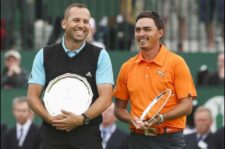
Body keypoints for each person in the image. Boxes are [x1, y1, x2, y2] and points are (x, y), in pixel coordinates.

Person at [27, 3, 113, 149]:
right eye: (76, 20)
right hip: (52, 136)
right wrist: (51, 119)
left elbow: (106, 98)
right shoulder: (44, 55)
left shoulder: (100, 56)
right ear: (64, 23)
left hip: (88, 136)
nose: (82, 25)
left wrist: (81, 119)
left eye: (86, 21)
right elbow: (32, 97)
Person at [113, 11, 197, 149]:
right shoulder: (127, 67)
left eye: (147, 29)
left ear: (160, 33)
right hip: (137, 140)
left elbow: (187, 106)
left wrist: (160, 118)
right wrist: (130, 119)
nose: (141, 34)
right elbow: (119, 109)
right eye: (138, 30)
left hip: (170, 140)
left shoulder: (177, 63)